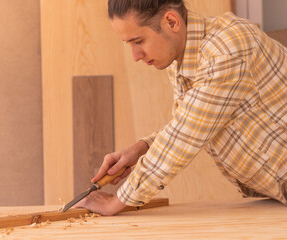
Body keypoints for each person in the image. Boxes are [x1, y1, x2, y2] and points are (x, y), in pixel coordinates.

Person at [75, 0, 287, 215]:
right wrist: (142, 147)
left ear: (171, 21)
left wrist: (117, 202)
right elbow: (190, 119)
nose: (135, 56)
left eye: (138, 41)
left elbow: (185, 135)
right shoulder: (183, 58)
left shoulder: (226, 49)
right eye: (129, 44)